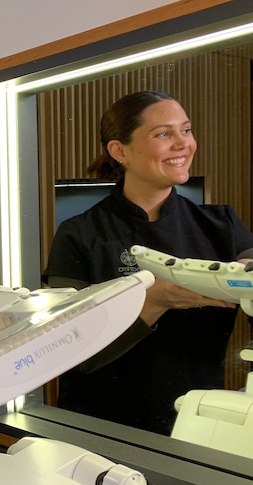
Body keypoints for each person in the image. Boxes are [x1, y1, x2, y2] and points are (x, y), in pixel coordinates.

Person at [42, 90, 253, 435]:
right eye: (164, 134)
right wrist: (152, 303)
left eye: (185, 130)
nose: (182, 144)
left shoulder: (222, 225)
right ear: (119, 151)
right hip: (103, 425)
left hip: (198, 422)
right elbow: (69, 350)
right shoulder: (79, 233)